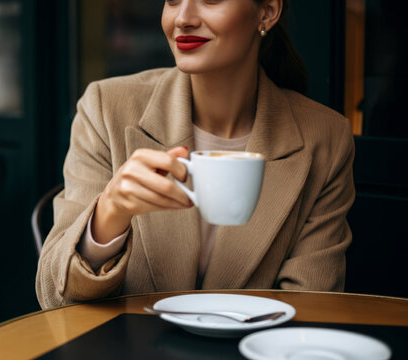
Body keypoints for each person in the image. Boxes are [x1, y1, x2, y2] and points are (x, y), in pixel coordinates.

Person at [36, 0, 355, 309]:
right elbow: (55, 297)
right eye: (172, 0)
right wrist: (108, 216)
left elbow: (311, 308)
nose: (183, 18)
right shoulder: (106, 109)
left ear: (268, 12)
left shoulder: (325, 139)